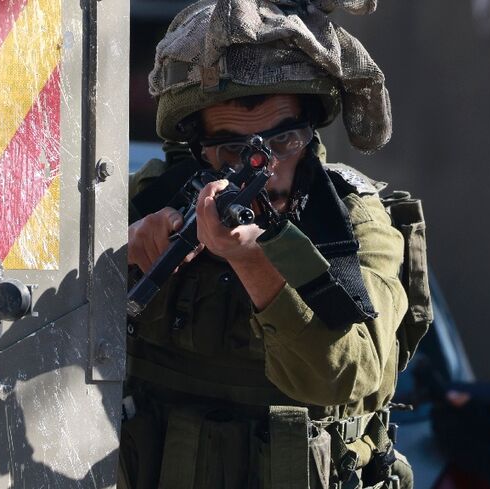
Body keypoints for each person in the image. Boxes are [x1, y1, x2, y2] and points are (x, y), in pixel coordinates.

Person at [121, 0, 431, 487]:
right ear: (196, 147)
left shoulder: (351, 222)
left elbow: (346, 376)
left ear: (309, 133)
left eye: (281, 144)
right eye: (234, 150)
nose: (261, 172)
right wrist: (115, 262)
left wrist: (253, 262)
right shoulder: (153, 198)